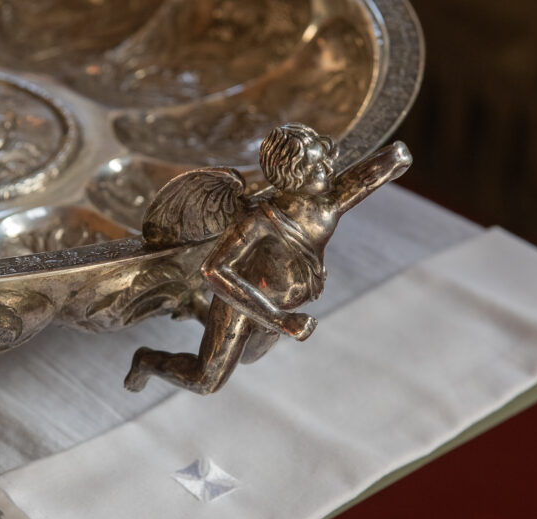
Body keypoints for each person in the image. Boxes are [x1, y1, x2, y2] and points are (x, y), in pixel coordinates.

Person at [124, 123, 412, 394]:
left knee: (248, 357)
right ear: (292, 177)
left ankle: (195, 306)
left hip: (277, 307)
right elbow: (213, 270)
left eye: (325, 161)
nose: (328, 169)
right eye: (317, 167)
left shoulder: (326, 208)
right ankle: (148, 360)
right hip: (241, 304)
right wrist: (279, 319)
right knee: (207, 381)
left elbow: (364, 179)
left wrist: (395, 158)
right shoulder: (259, 220)